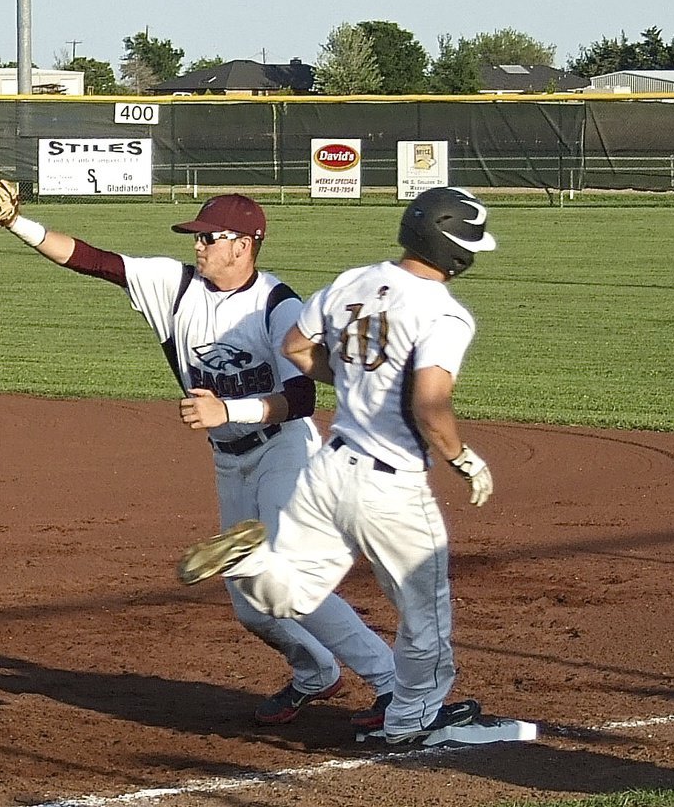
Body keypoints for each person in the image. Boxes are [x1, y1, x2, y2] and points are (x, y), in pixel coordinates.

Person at [0, 190, 395, 727]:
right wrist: (17, 223)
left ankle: (391, 684)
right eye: (196, 236)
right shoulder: (173, 288)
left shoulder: (277, 304)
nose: (197, 245)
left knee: (287, 579)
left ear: (244, 245)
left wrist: (229, 410)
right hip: (229, 462)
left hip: (285, 452)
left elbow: (301, 400)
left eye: (208, 236)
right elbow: (93, 261)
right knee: (249, 604)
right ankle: (316, 673)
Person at [177, 187, 497, 747]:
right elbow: (429, 403)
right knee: (427, 613)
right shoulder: (444, 313)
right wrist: (462, 457)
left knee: (293, 593)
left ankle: (252, 559)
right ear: (456, 248)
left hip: (329, 469)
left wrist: (350, 379)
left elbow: (300, 347)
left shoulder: (353, 280)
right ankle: (413, 722)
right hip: (390, 484)